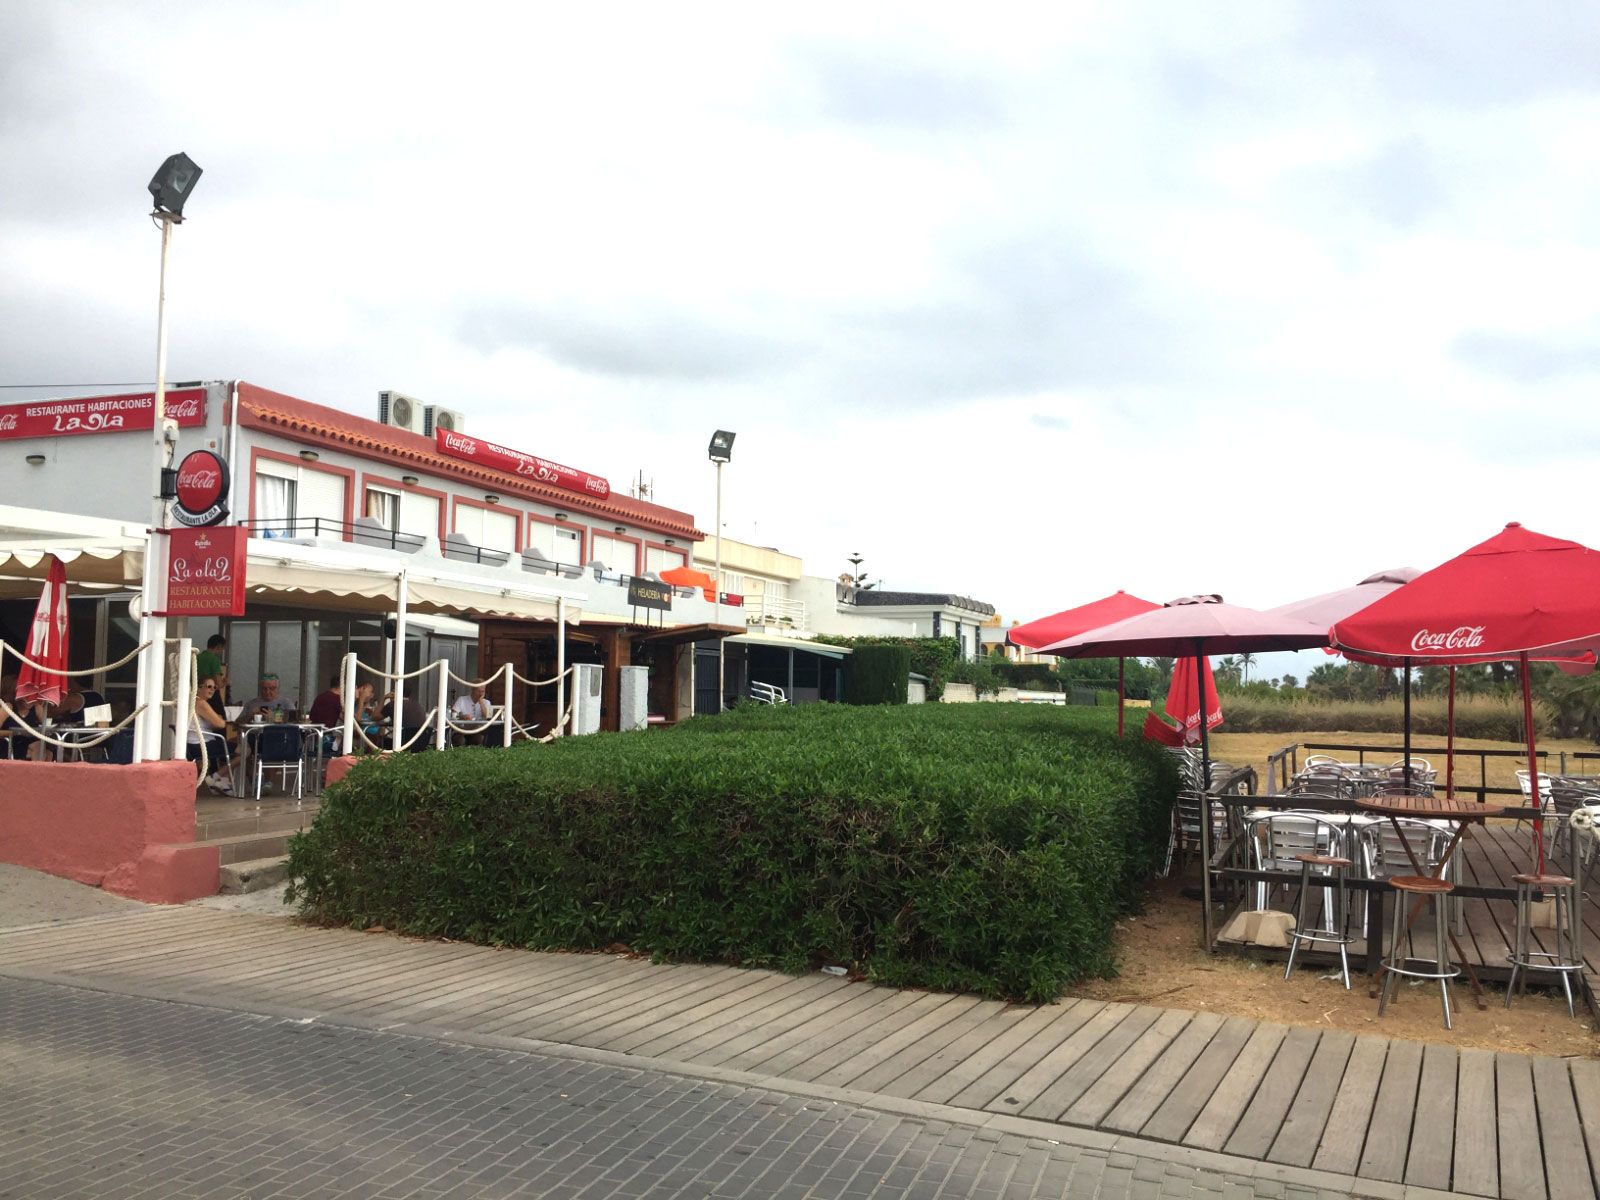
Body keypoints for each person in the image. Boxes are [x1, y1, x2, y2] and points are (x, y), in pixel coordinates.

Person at [189, 676, 233, 793]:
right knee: (245, 750)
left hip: (193, 743)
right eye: (209, 686)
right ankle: (215, 777)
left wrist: (215, 720)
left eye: (214, 687)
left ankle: (222, 781)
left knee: (235, 742)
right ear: (198, 688)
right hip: (201, 745)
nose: (212, 690)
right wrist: (218, 719)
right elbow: (221, 724)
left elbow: (210, 724)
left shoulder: (192, 702)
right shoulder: (201, 703)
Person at [197, 635, 227, 699]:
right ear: (218, 647)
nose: (222, 652)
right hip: (210, 694)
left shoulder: (197, 657)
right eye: (222, 649)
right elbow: (219, 684)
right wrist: (225, 681)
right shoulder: (214, 659)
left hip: (196, 692)